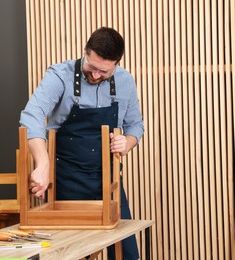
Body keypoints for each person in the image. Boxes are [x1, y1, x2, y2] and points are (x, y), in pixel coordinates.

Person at [19, 27, 144, 260]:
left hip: (109, 183)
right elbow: (32, 115)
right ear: (85, 51)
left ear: (117, 64)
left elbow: (136, 125)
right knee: (72, 252)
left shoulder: (125, 81)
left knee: (127, 254)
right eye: (92, 67)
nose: (96, 76)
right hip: (67, 183)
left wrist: (126, 142)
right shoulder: (60, 75)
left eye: (104, 72)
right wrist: (42, 163)